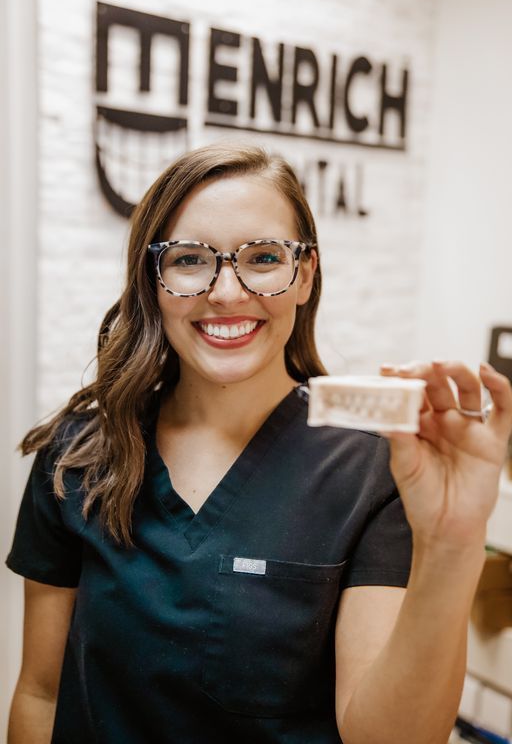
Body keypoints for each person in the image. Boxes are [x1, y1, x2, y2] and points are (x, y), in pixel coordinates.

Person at [5, 143, 512, 744]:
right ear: (153, 277)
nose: (226, 292)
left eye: (264, 257)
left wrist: (452, 546)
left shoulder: (378, 471)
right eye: (190, 258)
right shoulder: (80, 454)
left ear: (305, 275)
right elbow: (40, 692)